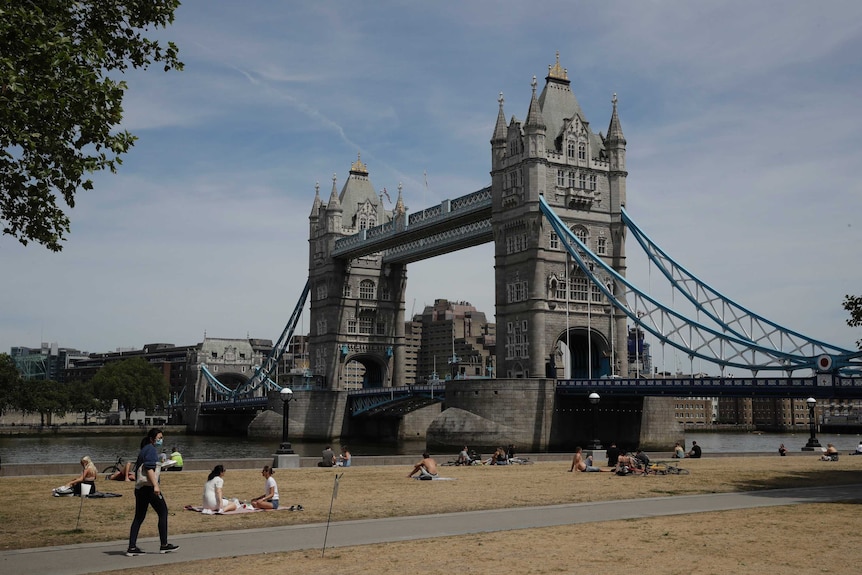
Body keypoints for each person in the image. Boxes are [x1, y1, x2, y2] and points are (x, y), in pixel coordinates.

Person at [127, 428, 179, 557]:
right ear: (152, 439)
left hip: (140, 488)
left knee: (139, 517)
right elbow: (149, 469)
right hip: (149, 488)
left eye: (162, 437)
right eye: (159, 437)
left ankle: (132, 547)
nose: (161, 440)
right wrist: (156, 485)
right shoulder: (150, 450)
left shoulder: (145, 449)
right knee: (163, 512)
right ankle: (164, 545)